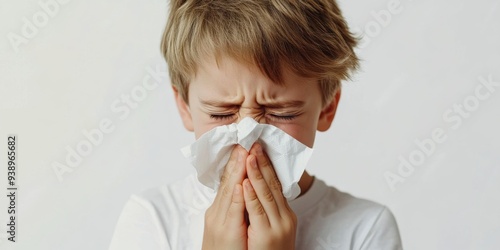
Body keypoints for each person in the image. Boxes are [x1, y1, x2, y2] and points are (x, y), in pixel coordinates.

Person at [109, 0, 403, 249]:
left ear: (327, 108)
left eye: (282, 113)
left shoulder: (365, 229)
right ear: (185, 107)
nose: (249, 140)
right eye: (222, 113)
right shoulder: (152, 219)